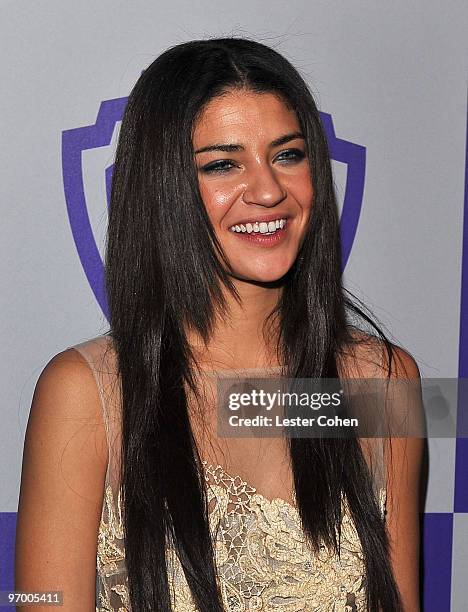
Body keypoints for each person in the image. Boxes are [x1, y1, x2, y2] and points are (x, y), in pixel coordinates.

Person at [15, 37, 423, 611]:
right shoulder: (89, 392)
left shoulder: (382, 383)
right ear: (163, 190)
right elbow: (38, 597)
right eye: (222, 164)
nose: (268, 190)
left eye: (287, 154)